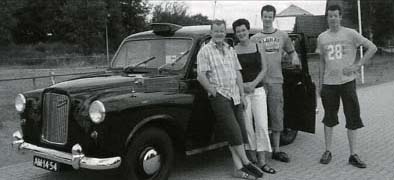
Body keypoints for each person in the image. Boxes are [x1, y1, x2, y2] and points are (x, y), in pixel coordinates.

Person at [197, 20, 264, 179]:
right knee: (233, 131)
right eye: (216, 31)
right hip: (220, 96)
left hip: (235, 95)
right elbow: (200, 75)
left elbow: (238, 73)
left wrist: (241, 94)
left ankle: (238, 168)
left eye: (222, 31)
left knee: (238, 131)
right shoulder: (205, 51)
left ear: (225, 32)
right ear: (211, 32)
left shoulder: (230, 49)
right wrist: (213, 91)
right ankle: (247, 162)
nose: (219, 33)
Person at [316, 4, 377, 168]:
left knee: (352, 116)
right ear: (327, 18)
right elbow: (321, 62)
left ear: (340, 17)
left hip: (347, 82)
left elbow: (372, 47)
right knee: (329, 117)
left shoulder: (350, 33)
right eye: (330, 16)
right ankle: (328, 150)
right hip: (329, 84)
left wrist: (358, 65)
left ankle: (353, 154)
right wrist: (320, 84)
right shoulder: (322, 37)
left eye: (336, 15)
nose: (333, 19)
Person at [251, 5, 300, 163]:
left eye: (270, 16)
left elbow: (291, 51)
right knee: (258, 118)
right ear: (261, 16)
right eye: (265, 16)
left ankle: (277, 150)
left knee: (277, 114)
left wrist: (295, 58)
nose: (267, 19)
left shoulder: (282, 35)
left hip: (276, 81)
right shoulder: (254, 38)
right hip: (259, 84)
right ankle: (261, 151)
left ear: (274, 17)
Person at [232, 18, 276, 174]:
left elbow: (264, 69)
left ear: (248, 30)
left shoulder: (258, 46)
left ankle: (263, 160)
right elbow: (233, 72)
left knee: (262, 125)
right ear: (236, 34)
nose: (241, 33)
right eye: (238, 31)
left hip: (257, 91)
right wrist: (243, 86)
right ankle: (252, 160)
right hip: (242, 93)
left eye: (243, 30)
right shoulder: (233, 50)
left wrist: (253, 83)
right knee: (248, 128)